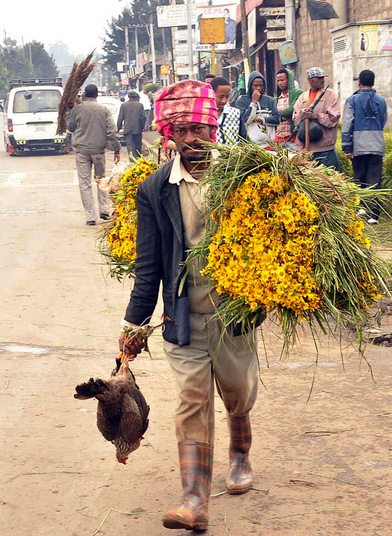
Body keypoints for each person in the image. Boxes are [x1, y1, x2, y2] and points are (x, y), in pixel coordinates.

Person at [120, 80, 261, 532]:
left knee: (237, 391)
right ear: (169, 134)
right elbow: (148, 265)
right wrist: (133, 325)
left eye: (199, 128)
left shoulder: (245, 178)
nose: (191, 139)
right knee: (191, 398)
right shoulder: (154, 189)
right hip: (183, 317)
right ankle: (195, 497)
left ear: (213, 127)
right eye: (181, 131)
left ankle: (240, 453)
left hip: (233, 312)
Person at [67, 84, 121, 226]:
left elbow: (70, 127)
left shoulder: (76, 110)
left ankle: (90, 216)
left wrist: (68, 111)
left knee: (84, 183)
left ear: (85, 94)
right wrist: (116, 149)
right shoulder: (103, 110)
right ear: (97, 95)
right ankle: (104, 210)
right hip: (98, 151)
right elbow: (112, 131)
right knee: (101, 179)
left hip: (82, 151)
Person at [342, 69, 388, 224]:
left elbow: (347, 124)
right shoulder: (381, 101)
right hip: (376, 144)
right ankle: (373, 215)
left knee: (359, 176)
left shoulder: (351, 101)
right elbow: (383, 121)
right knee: (374, 180)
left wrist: (347, 147)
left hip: (358, 145)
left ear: (359, 83)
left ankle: (361, 208)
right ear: (373, 82)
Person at [292, 67, 342, 171]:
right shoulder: (302, 97)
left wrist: (316, 116)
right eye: (319, 78)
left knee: (330, 180)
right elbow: (295, 117)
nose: (323, 80)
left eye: (323, 77)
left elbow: (334, 118)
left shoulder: (331, 95)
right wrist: (302, 114)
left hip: (325, 149)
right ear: (310, 80)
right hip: (306, 149)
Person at [235, 71, 280, 149]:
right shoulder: (242, 101)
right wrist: (253, 102)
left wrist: (262, 119)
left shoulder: (270, 100)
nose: (258, 88)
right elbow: (244, 121)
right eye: (255, 85)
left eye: (261, 85)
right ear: (250, 85)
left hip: (269, 145)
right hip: (250, 146)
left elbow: (277, 119)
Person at [210, 76, 247, 145]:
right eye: (221, 97)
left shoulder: (235, 114)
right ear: (212, 94)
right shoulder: (206, 115)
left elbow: (243, 139)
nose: (224, 101)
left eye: (227, 97)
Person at [274, 68, 302, 148]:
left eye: (282, 80)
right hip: (278, 138)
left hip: (293, 137)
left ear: (289, 80)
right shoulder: (276, 98)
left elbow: (292, 109)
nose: (280, 83)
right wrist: (281, 116)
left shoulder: (298, 93)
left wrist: (277, 115)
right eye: (278, 81)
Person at [116, 91, 146, 161]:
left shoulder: (124, 105)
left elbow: (120, 118)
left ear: (128, 97)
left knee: (130, 147)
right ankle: (139, 162)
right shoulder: (140, 105)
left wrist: (117, 130)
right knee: (138, 148)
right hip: (137, 129)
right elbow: (144, 117)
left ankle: (132, 162)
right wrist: (141, 127)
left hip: (128, 130)